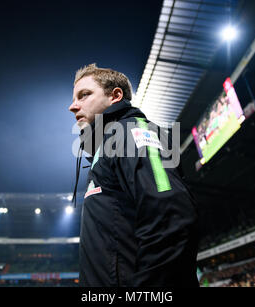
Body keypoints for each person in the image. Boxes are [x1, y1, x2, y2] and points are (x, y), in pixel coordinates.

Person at [68, 64, 200, 287]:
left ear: (115, 96)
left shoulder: (133, 132)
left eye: (84, 95)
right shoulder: (106, 146)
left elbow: (171, 217)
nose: (73, 106)